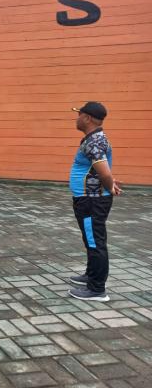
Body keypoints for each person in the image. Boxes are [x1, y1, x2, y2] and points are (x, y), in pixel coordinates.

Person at [68, 102, 121, 302]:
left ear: (87, 118)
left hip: (91, 201)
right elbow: (102, 171)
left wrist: (109, 184)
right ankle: (91, 275)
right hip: (88, 199)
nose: (77, 118)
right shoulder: (94, 139)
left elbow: (105, 172)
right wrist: (109, 182)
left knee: (95, 241)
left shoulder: (95, 141)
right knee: (90, 239)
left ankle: (97, 289)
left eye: (79, 114)